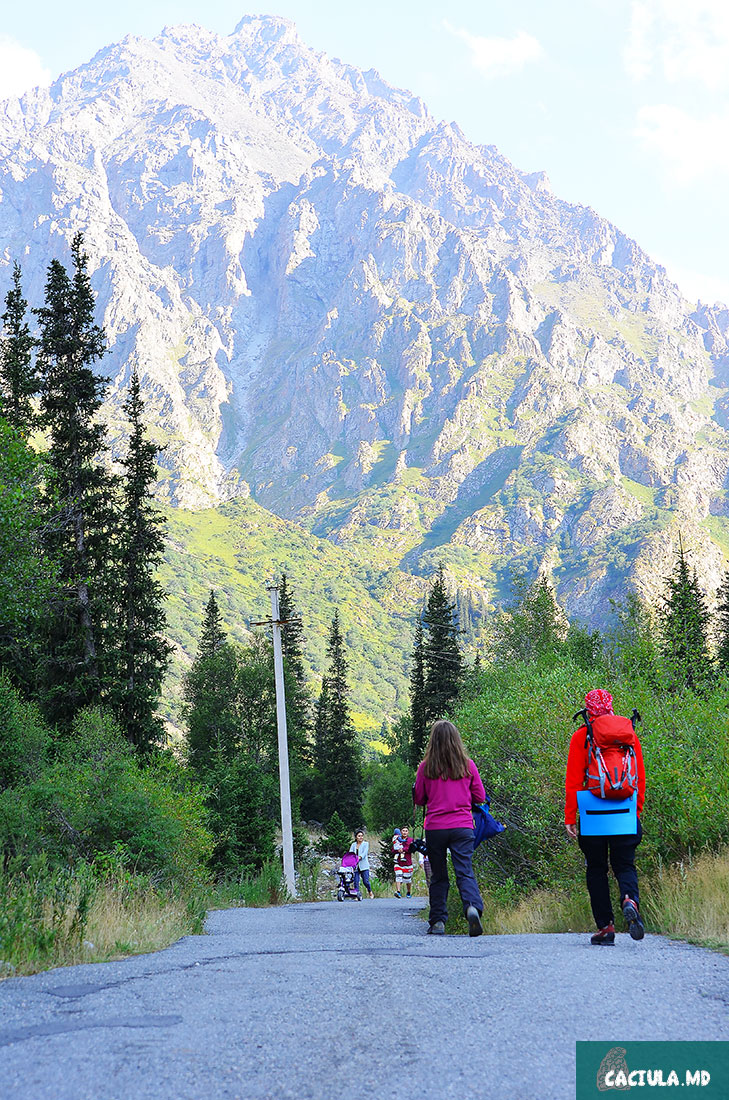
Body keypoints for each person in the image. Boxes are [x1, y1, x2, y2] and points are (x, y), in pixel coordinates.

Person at [565, 688, 646, 945]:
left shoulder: (582, 736)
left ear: (588, 708)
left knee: (597, 869)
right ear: (611, 705)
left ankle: (605, 927)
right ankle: (629, 898)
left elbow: (574, 782)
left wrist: (570, 816)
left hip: (592, 815)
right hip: (625, 810)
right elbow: (640, 778)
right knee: (625, 865)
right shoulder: (627, 734)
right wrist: (637, 811)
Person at [413, 719, 485, 936]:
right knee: (464, 871)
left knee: (438, 875)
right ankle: (472, 907)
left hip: (435, 827)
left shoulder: (426, 768)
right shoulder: (467, 765)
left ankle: (437, 921)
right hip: (462, 826)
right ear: (456, 740)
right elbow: (480, 796)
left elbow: (419, 798)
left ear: (432, 741)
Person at [350, 829, 374, 898]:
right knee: (356, 881)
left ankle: (370, 891)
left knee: (365, 881)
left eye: (362, 836)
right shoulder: (353, 845)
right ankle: (357, 895)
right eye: (359, 836)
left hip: (364, 865)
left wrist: (359, 857)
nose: (361, 837)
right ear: (356, 837)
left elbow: (364, 853)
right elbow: (350, 853)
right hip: (355, 866)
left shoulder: (366, 844)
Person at [393, 825, 414, 897]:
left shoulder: (410, 840)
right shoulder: (397, 839)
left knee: (408, 879)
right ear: (401, 832)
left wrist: (403, 849)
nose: (404, 832)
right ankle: (398, 891)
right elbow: (392, 849)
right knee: (398, 876)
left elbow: (411, 849)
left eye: (406, 831)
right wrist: (397, 850)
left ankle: (408, 892)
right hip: (398, 862)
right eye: (403, 831)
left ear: (408, 832)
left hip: (407, 862)